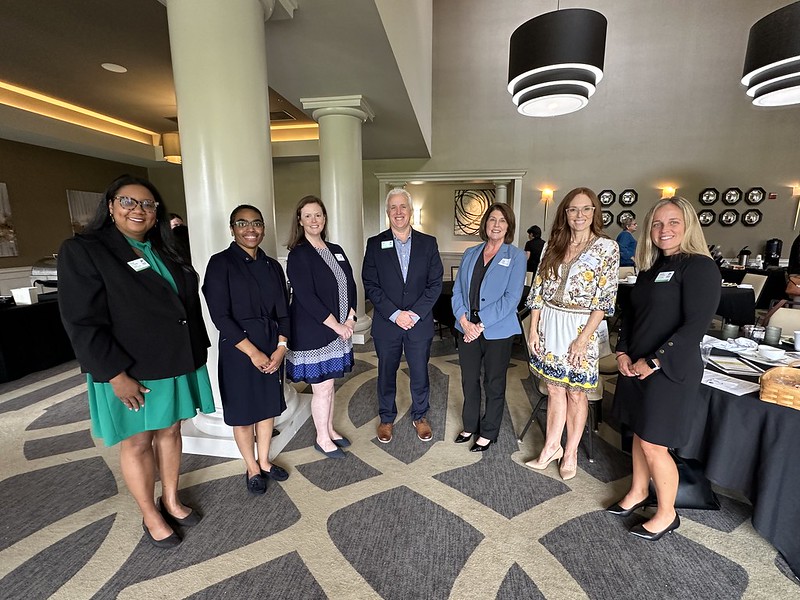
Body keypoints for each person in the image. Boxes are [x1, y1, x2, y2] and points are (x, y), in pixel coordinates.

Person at [58, 175, 215, 548]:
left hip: (175, 360)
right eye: (128, 201)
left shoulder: (164, 247)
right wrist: (114, 374)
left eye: (147, 204)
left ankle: (172, 499)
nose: (138, 210)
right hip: (130, 369)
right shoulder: (86, 250)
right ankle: (149, 514)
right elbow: (81, 321)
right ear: (110, 206)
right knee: (138, 442)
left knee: (172, 431)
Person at [609, 196, 720, 540]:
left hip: (670, 370)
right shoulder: (650, 267)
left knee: (656, 443)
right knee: (641, 436)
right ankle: (638, 492)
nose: (664, 230)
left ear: (687, 225)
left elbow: (695, 326)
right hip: (636, 365)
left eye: (673, 222)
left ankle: (667, 513)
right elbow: (631, 316)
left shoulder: (699, 267)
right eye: (657, 223)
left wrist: (655, 361)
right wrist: (623, 352)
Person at [524, 188, 619, 480]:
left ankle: (570, 452)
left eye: (586, 209)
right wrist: (534, 329)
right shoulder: (553, 243)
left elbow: (604, 301)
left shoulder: (607, 248)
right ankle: (551, 446)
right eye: (573, 210)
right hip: (550, 321)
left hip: (582, 326)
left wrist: (582, 339)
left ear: (595, 212)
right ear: (565, 213)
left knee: (577, 393)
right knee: (554, 388)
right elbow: (538, 289)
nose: (579, 215)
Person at [203, 205, 290, 495]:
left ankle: (264, 461)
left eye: (256, 223)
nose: (250, 229)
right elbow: (220, 316)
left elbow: (284, 313)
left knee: (266, 408)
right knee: (242, 412)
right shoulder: (220, 263)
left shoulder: (272, 265)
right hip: (238, 349)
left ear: (263, 228)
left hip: (271, 343)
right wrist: (253, 353)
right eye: (242, 223)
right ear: (232, 228)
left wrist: (280, 348)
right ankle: (251, 467)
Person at [363, 188, 444, 443]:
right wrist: (396, 314)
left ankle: (420, 416)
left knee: (420, 372)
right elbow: (370, 284)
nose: (398, 212)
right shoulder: (375, 244)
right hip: (388, 324)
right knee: (386, 372)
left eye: (403, 207)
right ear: (388, 213)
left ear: (410, 211)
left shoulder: (428, 243)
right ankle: (386, 418)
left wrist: (415, 314)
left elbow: (435, 284)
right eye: (393, 208)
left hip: (418, 325)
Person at [285, 196, 357, 459]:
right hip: (315, 330)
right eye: (308, 216)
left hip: (340, 328)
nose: (314, 220)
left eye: (318, 215)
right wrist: (336, 325)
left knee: (330, 383)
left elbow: (350, 284)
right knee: (323, 387)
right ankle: (322, 438)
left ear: (324, 218)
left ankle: (329, 429)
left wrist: (350, 318)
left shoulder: (335, 248)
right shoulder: (299, 254)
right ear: (300, 221)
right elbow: (306, 297)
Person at [452, 203, 526, 451]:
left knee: (493, 382)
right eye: (492, 219)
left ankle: (489, 431)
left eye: (502, 221)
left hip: (497, 330)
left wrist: (479, 324)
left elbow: (512, 298)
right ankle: (470, 425)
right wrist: (464, 321)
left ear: (509, 226)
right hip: (466, 327)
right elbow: (457, 291)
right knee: (468, 379)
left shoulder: (515, 256)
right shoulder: (470, 253)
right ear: (485, 224)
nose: (496, 224)